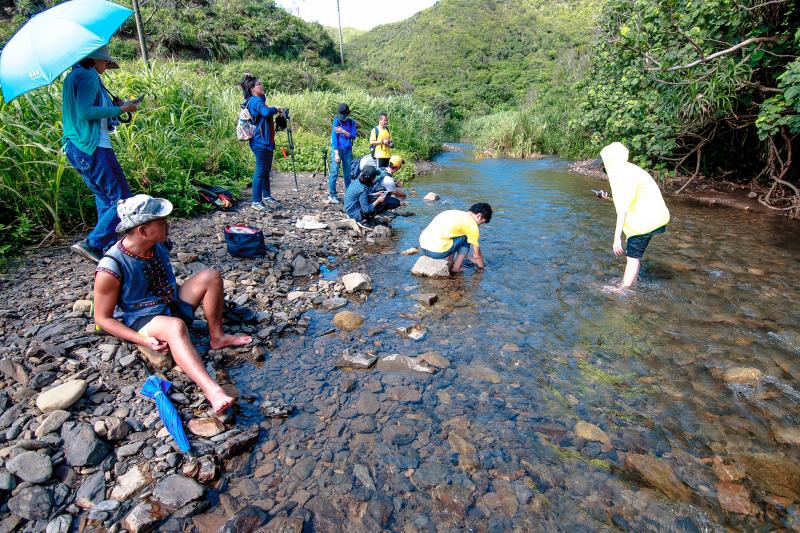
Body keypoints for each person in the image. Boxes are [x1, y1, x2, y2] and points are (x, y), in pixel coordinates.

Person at [94, 195, 252, 414]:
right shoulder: (110, 267)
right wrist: (143, 340)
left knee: (211, 276)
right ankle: (212, 391)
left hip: (171, 302)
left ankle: (217, 337)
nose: (168, 225)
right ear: (142, 230)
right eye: (161, 222)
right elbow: (102, 318)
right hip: (142, 317)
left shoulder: (156, 245)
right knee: (175, 326)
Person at [62, 45, 140, 262]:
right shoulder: (88, 76)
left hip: (76, 146)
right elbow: (85, 112)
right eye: (105, 61)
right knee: (122, 199)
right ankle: (93, 243)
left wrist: (117, 107)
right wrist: (122, 109)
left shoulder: (73, 77)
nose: (106, 65)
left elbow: (88, 111)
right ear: (95, 59)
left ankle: (106, 247)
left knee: (105, 198)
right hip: (92, 146)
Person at [600, 142, 670, 288]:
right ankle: (633, 283)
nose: (604, 166)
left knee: (632, 257)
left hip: (645, 222)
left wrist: (616, 239)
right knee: (634, 256)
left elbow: (622, 210)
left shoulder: (622, 177)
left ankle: (624, 289)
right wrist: (609, 197)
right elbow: (630, 198)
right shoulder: (630, 170)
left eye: (605, 162)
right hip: (653, 217)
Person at [240, 74, 283, 211]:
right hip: (260, 141)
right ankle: (256, 201)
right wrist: (276, 109)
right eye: (259, 84)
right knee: (260, 171)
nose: (262, 86)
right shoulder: (255, 101)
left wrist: (249, 78)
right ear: (252, 89)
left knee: (266, 170)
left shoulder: (258, 99)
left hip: (266, 141)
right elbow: (265, 112)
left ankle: (267, 196)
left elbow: (263, 101)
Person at [419, 203, 492, 273]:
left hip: (424, 248)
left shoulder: (453, 212)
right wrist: (481, 268)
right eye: (481, 222)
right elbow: (477, 255)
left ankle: (450, 262)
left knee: (456, 234)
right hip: (436, 253)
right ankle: (456, 267)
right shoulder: (472, 226)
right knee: (466, 236)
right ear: (479, 216)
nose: (479, 225)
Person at [327, 103, 357, 204]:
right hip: (338, 150)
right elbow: (334, 137)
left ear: (347, 114)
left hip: (348, 150)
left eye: (343, 115)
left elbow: (353, 136)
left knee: (347, 174)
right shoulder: (336, 120)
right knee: (334, 172)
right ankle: (332, 195)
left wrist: (343, 131)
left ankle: (349, 195)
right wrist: (336, 153)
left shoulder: (351, 122)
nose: (341, 118)